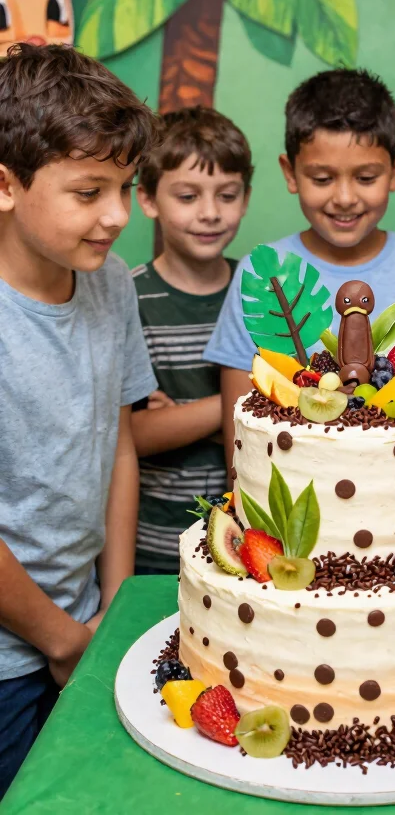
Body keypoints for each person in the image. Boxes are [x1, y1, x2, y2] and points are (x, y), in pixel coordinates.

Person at [0, 44, 157, 796]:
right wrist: (61, 642)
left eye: (125, 188)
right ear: (5, 184)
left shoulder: (111, 286)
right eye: (89, 191)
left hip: (88, 627)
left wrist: (114, 609)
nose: (118, 216)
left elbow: (117, 444)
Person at [203, 69, 395, 476]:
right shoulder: (262, 273)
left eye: (366, 178)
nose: (345, 198)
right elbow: (241, 432)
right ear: (289, 172)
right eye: (322, 178)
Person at [131, 107, 253, 574]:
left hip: (250, 538)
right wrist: (246, 399)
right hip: (155, 544)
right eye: (187, 195)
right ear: (148, 199)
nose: (209, 213)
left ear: (245, 198)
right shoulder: (132, 298)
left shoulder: (262, 292)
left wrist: (179, 418)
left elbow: (291, 414)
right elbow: (133, 436)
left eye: (227, 195)